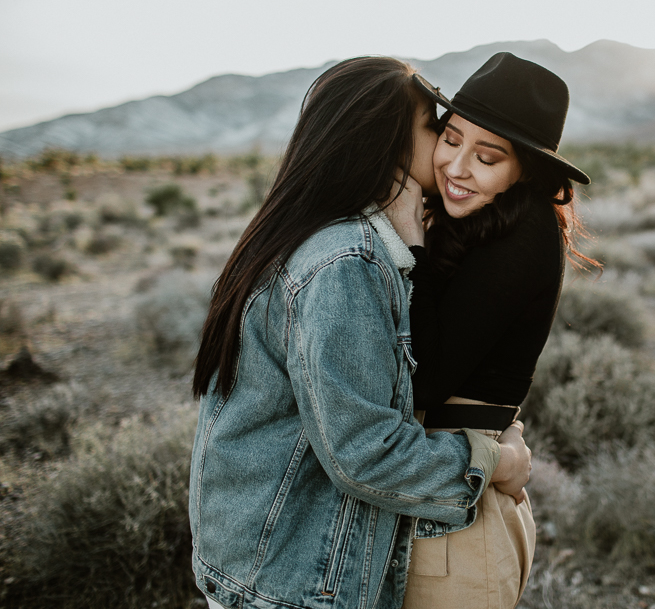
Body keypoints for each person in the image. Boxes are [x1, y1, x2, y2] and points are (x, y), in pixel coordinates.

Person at [188, 56, 533, 609]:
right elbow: (365, 452)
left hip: (262, 565)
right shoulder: (347, 260)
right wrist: (493, 461)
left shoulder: (309, 237)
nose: (447, 151)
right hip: (292, 580)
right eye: (436, 129)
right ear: (390, 141)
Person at [383, 52, 593, 609]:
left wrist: (411, 238)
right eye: (451, 139)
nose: (456, 167)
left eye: (488, 156)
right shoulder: (482, 222)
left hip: (457, 525)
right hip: (456, 494)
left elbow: (424, 379)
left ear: (524, 168)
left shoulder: (522, 235)